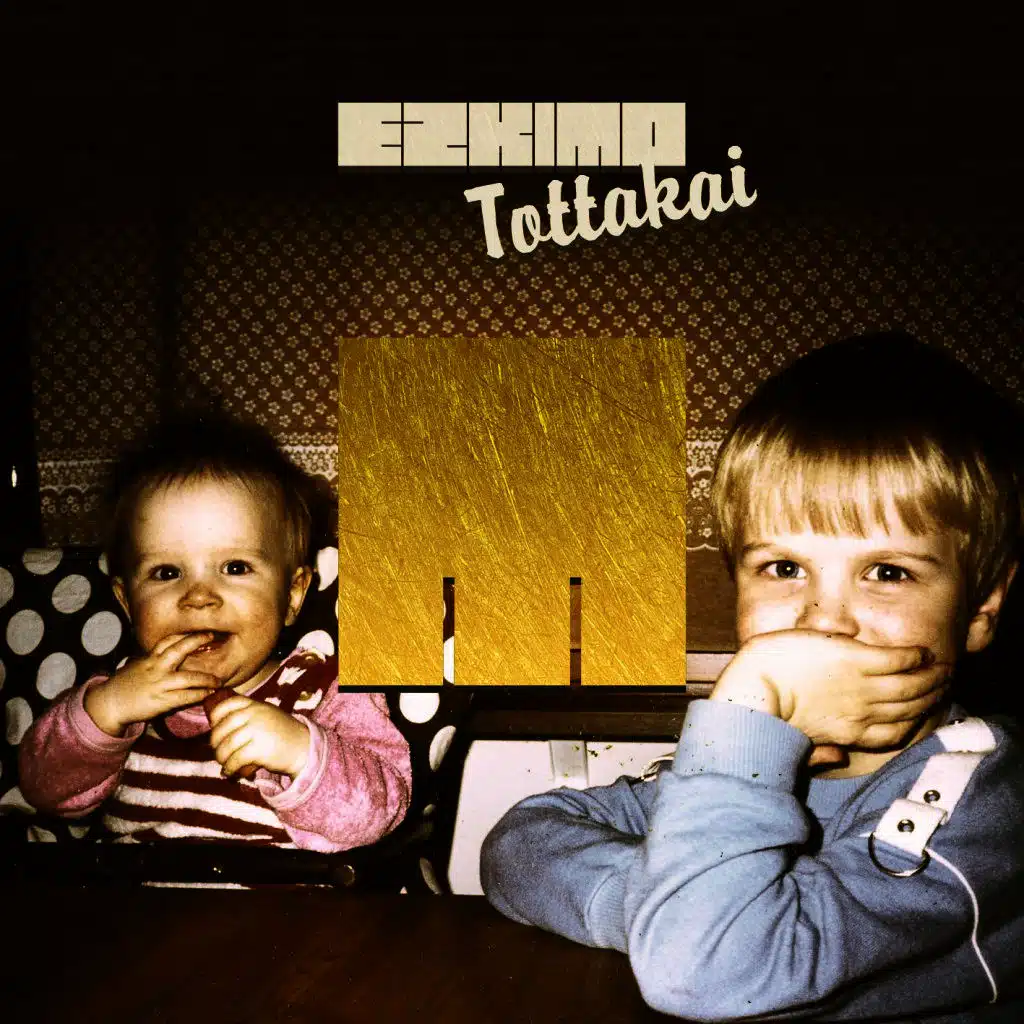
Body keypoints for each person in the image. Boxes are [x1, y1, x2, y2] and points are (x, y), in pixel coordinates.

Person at [481, 333, 1024, 1021]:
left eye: (888, 572)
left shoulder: (985, 805)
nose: (824, 622)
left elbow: (705, 972)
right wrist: (660, 907)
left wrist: (747, 703)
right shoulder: (766, 762)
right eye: (784, 567)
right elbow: (519, 843)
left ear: (980, 609)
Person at [20, 416, 411, 853]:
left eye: (235, 567)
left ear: (292, 596)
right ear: (127, 602)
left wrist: (300, 751)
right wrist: (105, 712)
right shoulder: (122, 697)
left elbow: (383, 810)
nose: (199, 597)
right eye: (167, 572)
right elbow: (45, 794)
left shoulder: (321, 690)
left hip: (279, 895)